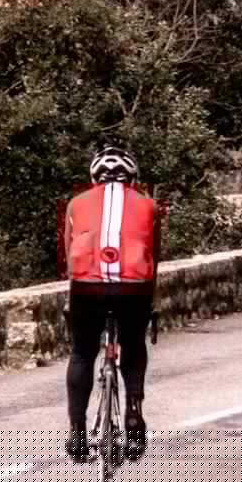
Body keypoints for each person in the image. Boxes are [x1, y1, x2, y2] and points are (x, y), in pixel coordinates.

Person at [57, 144, 165, 463]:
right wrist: (152, 303)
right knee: (133, 344)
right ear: (133, 178)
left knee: (81, 353)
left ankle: (77, 432)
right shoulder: (150, 206)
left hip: (87, 288)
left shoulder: (76, 205)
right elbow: (154, 258)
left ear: (94, 178)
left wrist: (71, 298)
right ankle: (133, 413)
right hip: (134, 287)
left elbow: (69, 259)